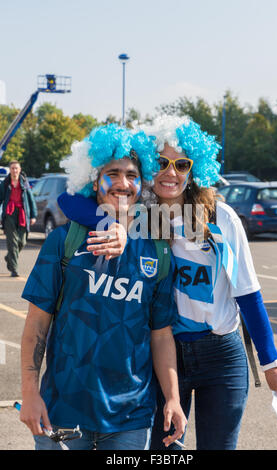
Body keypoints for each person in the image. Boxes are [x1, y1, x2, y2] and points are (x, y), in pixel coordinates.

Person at [61, 116, 277, 450]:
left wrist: (271, 363)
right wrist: (113, 224)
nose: (171, 172)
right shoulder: (138, 213)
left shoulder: (220, 217)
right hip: (163, 354)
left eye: (181, 164)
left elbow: (249, 295)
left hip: (221, 355)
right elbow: (68, 202)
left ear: (194, 169)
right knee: (164, 453)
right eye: (161, 162)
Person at [20, 124, 186, 451]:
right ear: (95, 180)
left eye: (132, 175)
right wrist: (29, 393)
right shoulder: (63, 241)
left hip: (131, 417)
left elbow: (161, 333)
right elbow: (37, 324)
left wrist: (173, 398)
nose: (123, 183)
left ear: (143, 183)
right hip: (63, 410)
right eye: (113, 173)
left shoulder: (158, 249)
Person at [0, 160, 37, 277]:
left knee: (22, 241)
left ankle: (9, 257)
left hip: (22, 213)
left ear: (20, 170)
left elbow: (31, 199)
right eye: (12, 168)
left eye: (16, 168)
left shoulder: (24, 182)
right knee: (12, 242)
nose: (14, 170)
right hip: (9, 214)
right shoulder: (5, 183)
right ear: (10, 170)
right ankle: (14, 269)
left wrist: (33, 215)